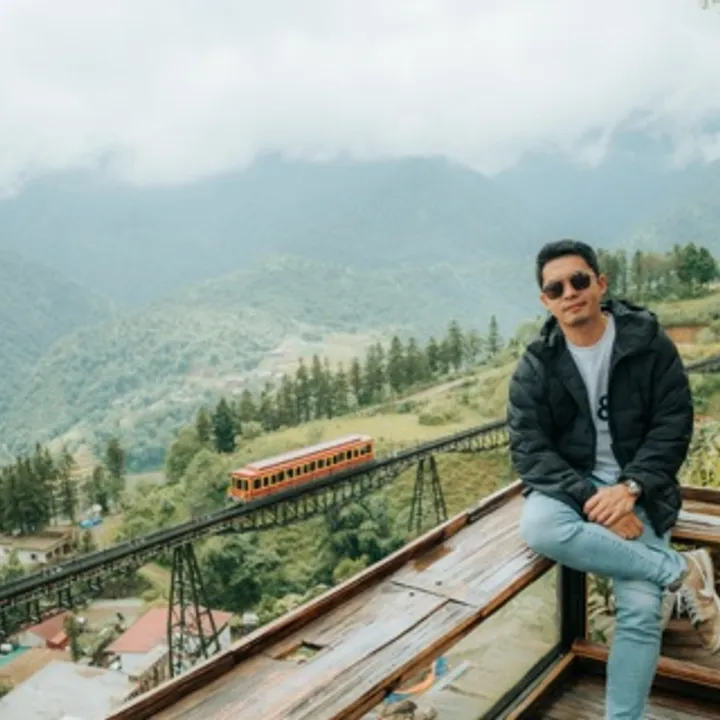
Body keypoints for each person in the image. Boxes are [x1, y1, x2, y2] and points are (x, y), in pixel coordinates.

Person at [507, 239, 720, 720]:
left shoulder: (649, 344)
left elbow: (673, 426)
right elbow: (529, 449)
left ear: (600, 284)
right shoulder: (537, 365)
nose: (569, 293)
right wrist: (594, 502)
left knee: (641, 610)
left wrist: (630, 489)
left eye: (579, 280)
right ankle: (679, 570)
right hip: (571, 490)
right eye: (556, 288)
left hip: (640, 489)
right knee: (539, 527)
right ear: (545, 301)